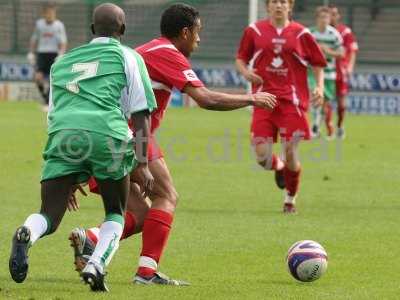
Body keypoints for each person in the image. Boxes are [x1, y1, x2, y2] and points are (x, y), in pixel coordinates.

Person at [67, 3, 277, 286]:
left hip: (99, 136)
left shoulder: (149, 50)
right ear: (185, 32)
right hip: (128, 136)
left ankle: (91, 238)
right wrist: (251, 98)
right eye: (198, 33)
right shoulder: (168, 53)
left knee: (140, 214)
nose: (199, 39)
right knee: (166, 195)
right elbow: (206, 99)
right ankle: (146, 273)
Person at [9, 3, 156, 292]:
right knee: (115, 210)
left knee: (49, 215)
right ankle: (96, 264)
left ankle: (28, 231)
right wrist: (142, 164)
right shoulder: (128, 55)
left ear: (92, 30)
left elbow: (53, 115)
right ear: (123, 30)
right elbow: (141, 113)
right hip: (107, 135)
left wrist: (70, 170)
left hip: (64, 136)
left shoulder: (62, 62)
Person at [235, 0, 326, 213]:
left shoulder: (301, 33)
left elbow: (318, 63)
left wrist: (319, 87)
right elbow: (240, 58)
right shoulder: (254, 30)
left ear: (290, 6)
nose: (279, 5)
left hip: (291, 102)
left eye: (283, 1)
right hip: (262, 100)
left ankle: (290, 200)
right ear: (267, 6)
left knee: (291, 151)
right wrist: (245, 72)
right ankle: (279, 167)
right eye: (274, 1)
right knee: (262, 158)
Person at [309, 6, 344, 140]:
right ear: (317, 19)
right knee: (315, 95)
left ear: (330, 19)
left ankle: (317, 125)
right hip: (313, 72)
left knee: (324, 103)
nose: (324, 20)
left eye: (326, 18)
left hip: (329, 73)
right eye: (321, 17)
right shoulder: (309, 33)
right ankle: (314, 127)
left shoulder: (334, 34)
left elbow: (341, 53)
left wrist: (327, 51)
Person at [28, 2, 67, 112]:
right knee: (38, 78)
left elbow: (63, 42)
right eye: (48, 13)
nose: (50, 15)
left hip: (54, 54)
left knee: (52, 78)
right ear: (44, 14)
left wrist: (61, 54)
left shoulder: (59, 25)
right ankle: (46, 98)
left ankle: (47, 103)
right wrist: (31, 53)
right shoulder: (39, 24)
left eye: (52, 13)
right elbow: (34, 39)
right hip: (42, 53)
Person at [330, 4, 359, 139]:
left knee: (342, 103)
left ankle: (340, 126)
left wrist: (350, 66)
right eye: (330, 14)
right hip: (326, 71)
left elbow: (352, 50)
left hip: (341, 71)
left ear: (338, 16)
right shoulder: (322, 32)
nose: (332, 17)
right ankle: (328, 127)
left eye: (334, 14)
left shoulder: (345, 31)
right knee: (325, 102)